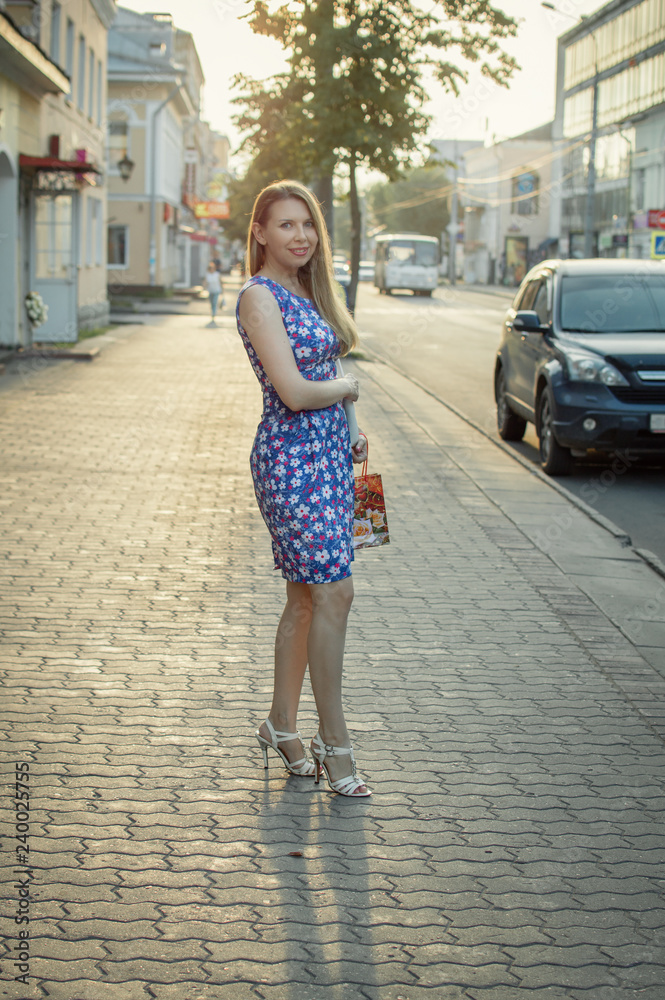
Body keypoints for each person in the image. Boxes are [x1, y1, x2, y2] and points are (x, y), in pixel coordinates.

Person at [236, 179, 371, 797]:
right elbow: (292, 391)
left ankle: (281, 726)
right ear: (260, 232)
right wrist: (345, 393)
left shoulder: (306, 290)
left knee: (304, 599)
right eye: (286, 225)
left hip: (327, 458)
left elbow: (324, 371)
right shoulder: (258, 297)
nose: (300, 236)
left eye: (308, 225)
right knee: (334, 594)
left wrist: (350, 425)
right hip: (290, 463)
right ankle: (334, 743)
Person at [204, 261, 224, 326]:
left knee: (214, 302)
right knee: (211, 303)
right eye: (210, 268)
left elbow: (221, 282)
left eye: (212, 268)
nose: (211, 269)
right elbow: (206, 282)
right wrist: (204, 288)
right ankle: (212, 312)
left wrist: (222, 290)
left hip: (216, 290)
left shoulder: (217, 274)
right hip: (210, 291)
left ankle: (213, 315)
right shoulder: (208, 275)